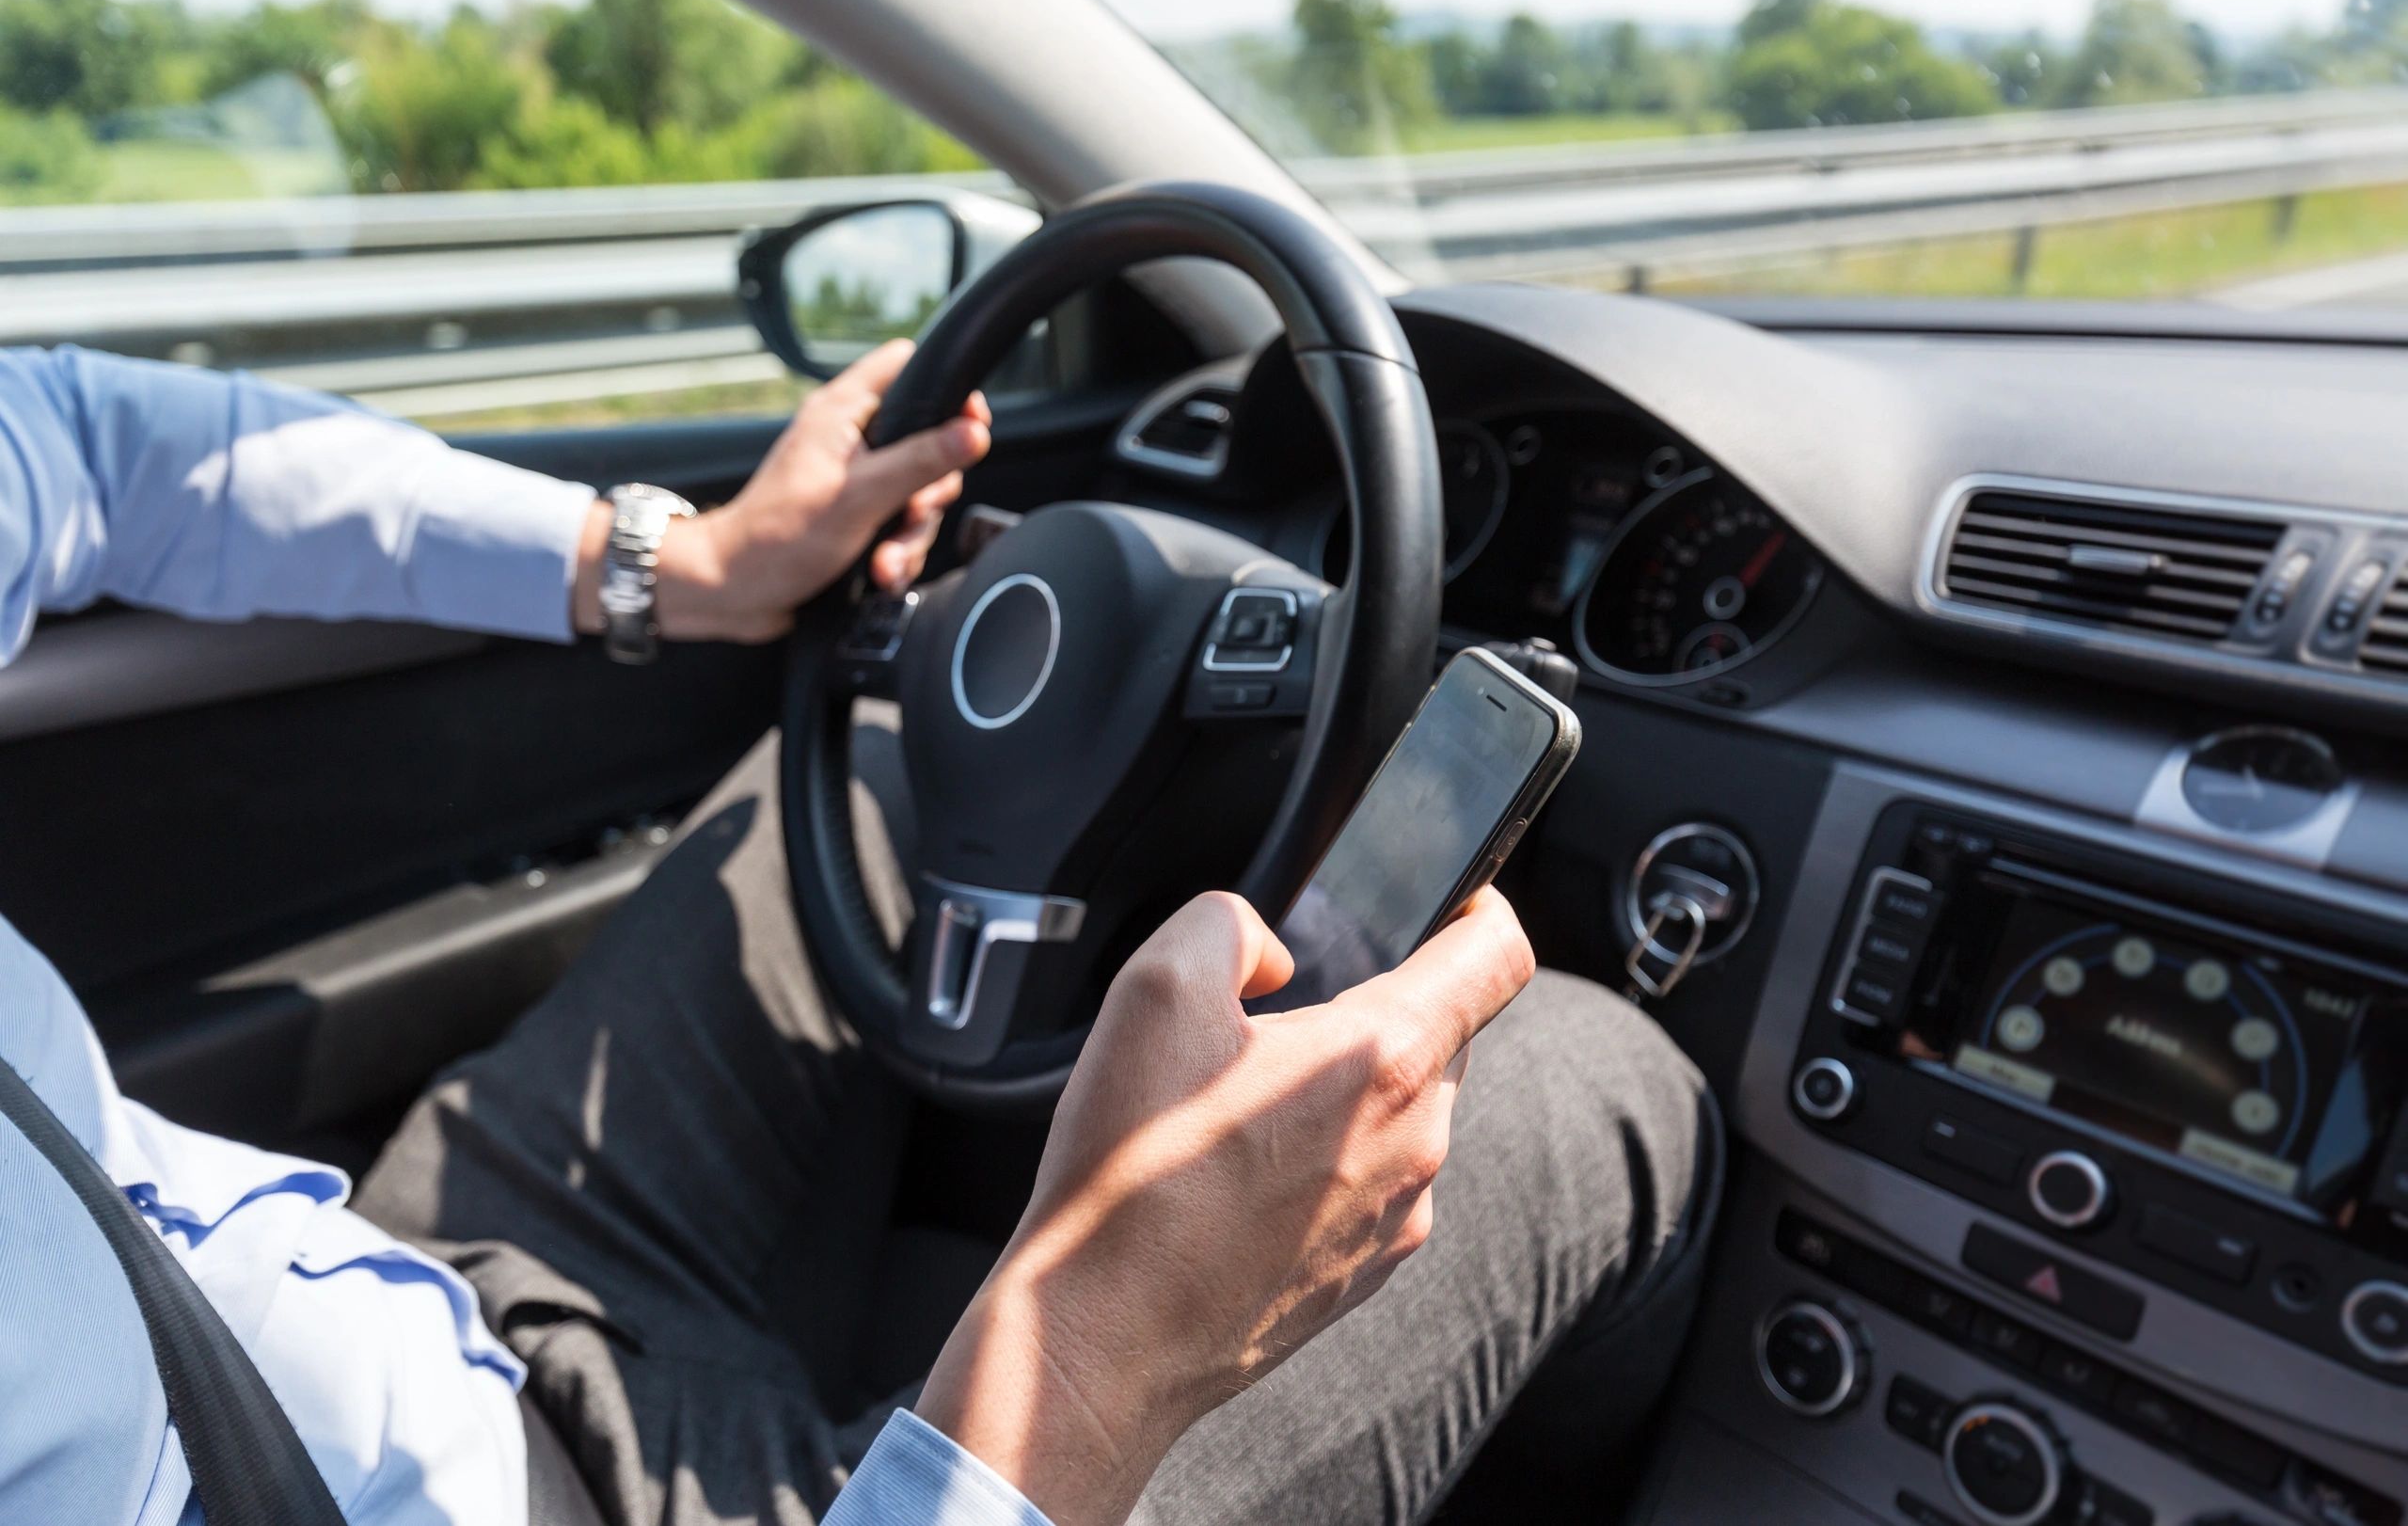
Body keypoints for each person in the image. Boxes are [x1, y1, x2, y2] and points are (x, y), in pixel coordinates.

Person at [0, 340, 1719, 1526]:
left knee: (896, 749)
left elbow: (67, 444)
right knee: (1592, 1080)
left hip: (402, 1289)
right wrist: (1092, 1368)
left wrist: (668, 564)